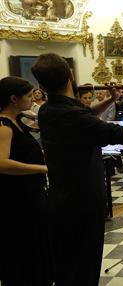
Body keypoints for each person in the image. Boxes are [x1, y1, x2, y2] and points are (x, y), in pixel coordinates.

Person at [31, 53, 123, 286]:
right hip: (82, 203)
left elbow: (85, 115)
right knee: (83, 268)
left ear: (42, 86)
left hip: (61, 197)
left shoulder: (47, 110)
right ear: (71, 76)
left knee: (68, 265)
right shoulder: (71, 114)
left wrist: (111, 99)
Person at [0, 77, 51, 285]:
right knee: (22, 256)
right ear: (14, 98)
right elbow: (1, 163)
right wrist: (42, 168)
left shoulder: (17, 120)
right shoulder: (4, 126)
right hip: (17, 200)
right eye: (29, 96)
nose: (33, 99)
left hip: (30, 196)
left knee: (35, 252)